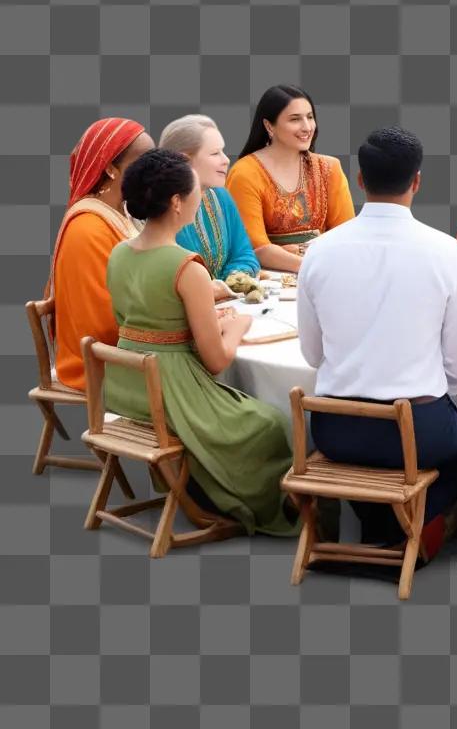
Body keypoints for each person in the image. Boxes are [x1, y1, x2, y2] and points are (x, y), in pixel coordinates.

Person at [297, 127, 457, 560]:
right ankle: (408, 527)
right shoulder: (446, 252)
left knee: (382, 451)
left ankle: (379, 521)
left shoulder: (319, 251)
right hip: (417, 428)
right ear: (417, 181)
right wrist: (432, 389)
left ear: (359, 180)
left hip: (334, 427)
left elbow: (312, 354)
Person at [103, 149, 297, 536]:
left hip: (126, 385)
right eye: (195, 193)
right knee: (270, 423)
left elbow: (137, 319)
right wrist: (236, 325)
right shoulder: (186, 265)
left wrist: (202, 312)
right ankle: (240, 502)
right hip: (170, 388)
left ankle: (198, 486)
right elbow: (215, 361)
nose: (200, 199)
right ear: (177, 202)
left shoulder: (119, 253)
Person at [47, 118, 154, 390]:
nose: (154, 170)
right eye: (143, 161)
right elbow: (103, 324)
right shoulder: (88, 228)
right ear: (110, 169)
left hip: (131, 346)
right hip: (99, 365)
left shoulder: (123, 213)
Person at [226, 85, 355, 273]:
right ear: (269, 126)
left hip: (326, 271)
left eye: (310, 117)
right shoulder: (245, 173)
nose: (307, 127)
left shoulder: (329, 168)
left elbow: (346, 234)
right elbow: (256, 248)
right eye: (295, 119)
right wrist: (310, 266)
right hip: (268, 279)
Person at [159, 115, 259, 289]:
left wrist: (232, 281)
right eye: (215, 153)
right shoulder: (158, 207)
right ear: (184, 160)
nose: (226, 160)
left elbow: (244, 254)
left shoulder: (221, 197)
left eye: (223, 151)